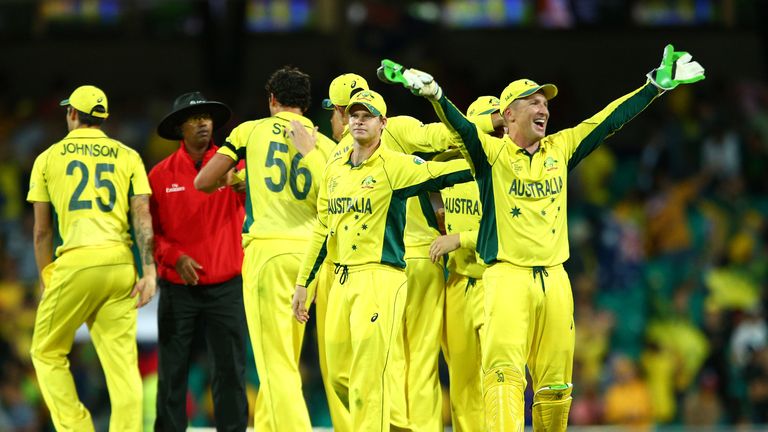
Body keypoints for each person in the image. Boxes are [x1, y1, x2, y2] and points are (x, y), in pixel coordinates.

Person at [380, 44, 705, 431]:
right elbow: (462, 128)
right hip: (506, 277)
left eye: (544, 102)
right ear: (508, 115)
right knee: (503, 375)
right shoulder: (491, 155)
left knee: (555, 386)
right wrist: (436, 96)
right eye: (531, 101)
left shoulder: (560, 148)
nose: (543, 108)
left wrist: (654, 86)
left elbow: (608, 120)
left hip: (554, 278)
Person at [291, 89, 473, 430]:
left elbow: (443, 173)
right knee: (341, 376)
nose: (359, 121)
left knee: (367, 376)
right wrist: (303, 283)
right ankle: (393, 426)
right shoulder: (334, 168)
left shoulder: (396, 166)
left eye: (368, 116)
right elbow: (322, 229)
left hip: (379, 278)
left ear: (382, 123)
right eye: (355, 115)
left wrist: (494, 157)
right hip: (342, 278)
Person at [194, 66, 336, 431]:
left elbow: (203, 181)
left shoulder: (250, 131)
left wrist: (233, 178)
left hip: (268, 254)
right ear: (305, 104)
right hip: (313, 259)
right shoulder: (324, 145)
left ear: (271, 99)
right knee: (287, 357)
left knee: (275, 365)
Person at [27, 84, 156, 432]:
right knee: (123, 368)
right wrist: (149, 271)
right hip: (119, 264)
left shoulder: (48, 158)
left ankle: (76, 428)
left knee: (46, 351)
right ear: (103, 117)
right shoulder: (128, 155)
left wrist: (45, 278)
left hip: (77, 263)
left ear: (72, 114)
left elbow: (41, 232)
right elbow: (141, 214)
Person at [149, 91, 248, 431]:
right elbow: (150, 234)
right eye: (194, 118)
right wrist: (174, 257)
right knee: (172, 372)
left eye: (207, 117)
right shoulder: (159, 176)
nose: (204, 122)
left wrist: (245, 187)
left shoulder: (237, 169)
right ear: (179, 128)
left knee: (231, 371)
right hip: (179, 289)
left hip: (227, 287)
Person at [430, 96, 503, 432]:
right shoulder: (449, 170)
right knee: (461, 382)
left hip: (495, 282)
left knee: (500, 378)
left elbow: (509, 229)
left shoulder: (503, 170)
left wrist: (460, 238)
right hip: (457, 283)